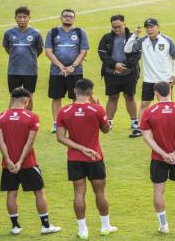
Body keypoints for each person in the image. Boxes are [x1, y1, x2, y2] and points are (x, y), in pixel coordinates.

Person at [56, 78, 117, 239]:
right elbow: (105, 130)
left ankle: (83, 230)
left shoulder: (64, 111)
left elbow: (60, 138)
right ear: (90, 93)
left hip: (74, 159)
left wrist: (80, 149)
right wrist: (100, 108)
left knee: (79, 193)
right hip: (95, 158)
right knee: (100, 192)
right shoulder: (97, 110)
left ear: (75, 91)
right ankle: (105, 227)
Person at [0, 87, 61, 235]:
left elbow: (1, 142)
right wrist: (20, 162)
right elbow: (29, 143)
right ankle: (45, 226)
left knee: (11, 193)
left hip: (8, 164)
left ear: (12, 99)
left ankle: (15, 227)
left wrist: (8, 160)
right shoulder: (32, 117)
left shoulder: (0, 117)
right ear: (26, 100)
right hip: (28, 163)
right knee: (39, 192)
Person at [140, 81, 175, 235]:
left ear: (156, 93)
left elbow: (146, 138)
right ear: (170, 91)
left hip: (158, 159)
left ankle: (163, 226)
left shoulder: (149, 111)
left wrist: (164, 154)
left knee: (158, 191)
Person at [124, 18, 175, 134]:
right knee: (144, 104)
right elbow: (127, 49)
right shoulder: (142, 41)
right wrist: (134, 35)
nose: (149, 30)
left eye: (151, 27)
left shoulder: (167, 40)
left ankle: (168, 127)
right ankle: (139, 128)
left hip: (165, 79)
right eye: (147, 28)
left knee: (166, 104)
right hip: (149, 79)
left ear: (157, 27)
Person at [45, 9, 89, 133]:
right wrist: (60, 66)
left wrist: (73, 66)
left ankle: (75, 122)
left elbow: (84, 51)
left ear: (74, 19)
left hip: (75, 71)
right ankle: (56, 123)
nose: (68, 18)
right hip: (56, 71)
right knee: (56, 97)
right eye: (65, 16)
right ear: (61, 18)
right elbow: (48, 51)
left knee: (76, 98)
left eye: (70, 16)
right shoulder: (53, 32)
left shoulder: (80, 32)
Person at [98, 14, 141, 137]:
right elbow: (102, 54)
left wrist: (123, 66)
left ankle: (134, 122)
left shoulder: (133, 37)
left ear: (124, 24)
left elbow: (137, 55)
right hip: (111, 73)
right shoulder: (106, 38)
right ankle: (109, 122)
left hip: (129, 73)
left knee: (130, 97)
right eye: (114, 27)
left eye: (119, 26)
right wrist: (114, 65)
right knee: (112, 97)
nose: (116, 29)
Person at [3, 6, 44, 111]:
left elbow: (39, 50)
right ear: (15, 18)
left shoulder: (35, 33)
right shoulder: (8, 33)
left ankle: (28, 119)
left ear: (29, 18)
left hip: (30, 70)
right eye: (19, 17)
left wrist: (29, 58)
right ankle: (10, 120)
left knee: (29, 97)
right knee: (13, 96)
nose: (22, 19)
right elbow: (7, 48)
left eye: (24, 17)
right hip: (14, 70)